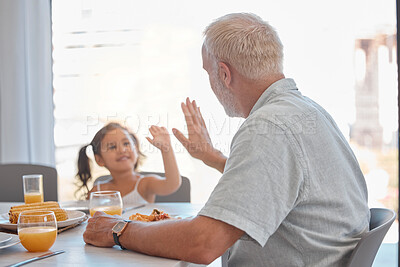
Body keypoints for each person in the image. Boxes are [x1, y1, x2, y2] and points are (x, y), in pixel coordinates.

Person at [83, 13, 369, 266]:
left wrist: (118, 230)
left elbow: (203, 244)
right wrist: (214, 157)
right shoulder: (306, 111)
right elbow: (284, 183)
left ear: (224, 73)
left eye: (209, 73)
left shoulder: (268, 127)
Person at [76, 122, 181, 205]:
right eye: (112, 147)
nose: (122, 150)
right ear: (99, 160)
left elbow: (172, 184)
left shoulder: (145, 184)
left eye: (126, 143)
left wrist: (166, 149)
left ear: (135, 148)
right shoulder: (98, 191)